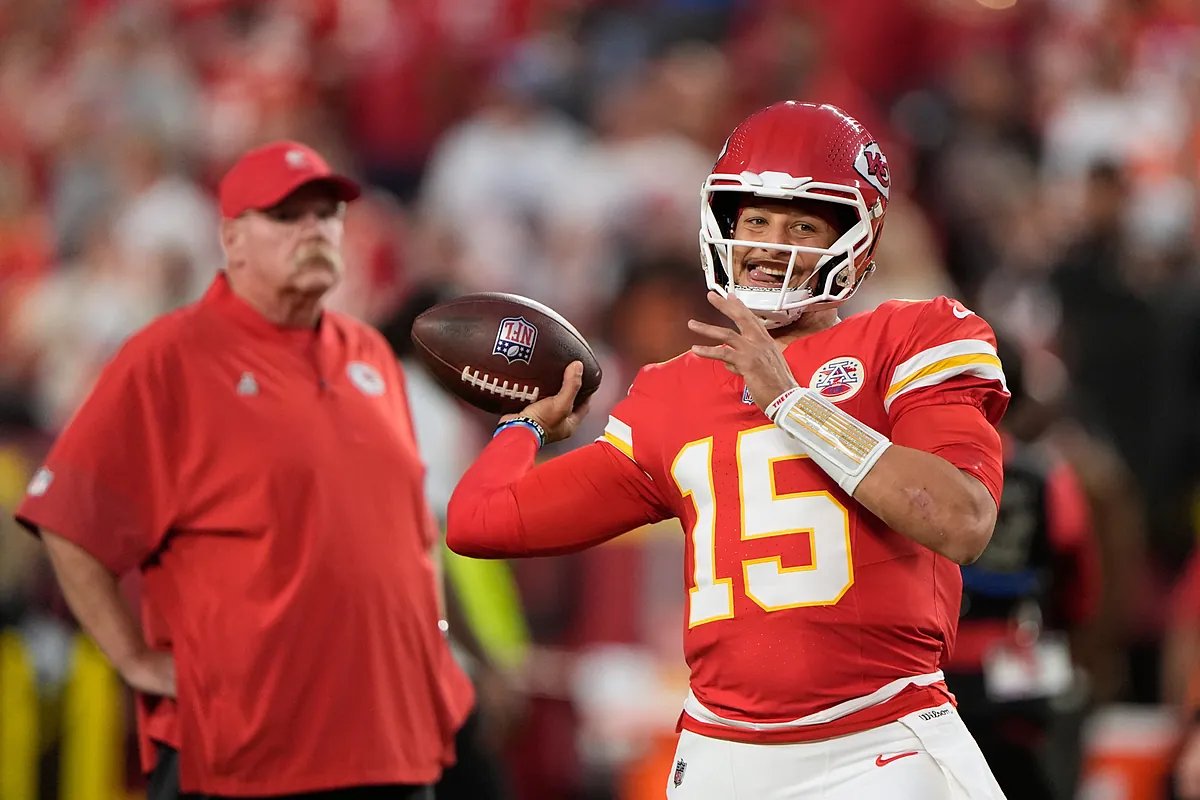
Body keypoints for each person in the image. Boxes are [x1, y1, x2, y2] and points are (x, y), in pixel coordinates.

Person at [447, 102, 1011, 799]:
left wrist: (793, 403)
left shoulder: (912, 336)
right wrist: (524, 427)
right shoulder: (672, 392)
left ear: (858, 241)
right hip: (721, 756)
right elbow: (479, 521)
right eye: (756, 221)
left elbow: (961, 520)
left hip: (881, 742)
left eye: (802, 225)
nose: (772, 245)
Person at [15, 141, 473, 799]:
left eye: (327, 214)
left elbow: (412, 536)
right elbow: (68, 520)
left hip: (391, 744)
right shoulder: (171, 358)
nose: (314, 230)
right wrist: (132, 658)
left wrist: (437, 654)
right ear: (232, 239)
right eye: (286, 217)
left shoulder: (371, 355)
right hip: (246, 750)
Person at [944, 336, 1100, 800]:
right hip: (1018, 664)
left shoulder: (919, 468)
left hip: (929, 669)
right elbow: (1078, 579)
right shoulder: (1048, 475)